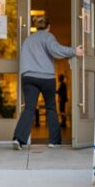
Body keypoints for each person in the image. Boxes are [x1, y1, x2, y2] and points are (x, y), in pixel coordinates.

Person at [12, 16, 84, 150]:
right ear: (48, 27)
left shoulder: (28, 40)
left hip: (28, 76)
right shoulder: (48, 36)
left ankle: (19, 139)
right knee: (51, 108)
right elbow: (56, 51)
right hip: (46, 78)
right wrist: (74, 51)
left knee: (29, 108)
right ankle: (54, 141)